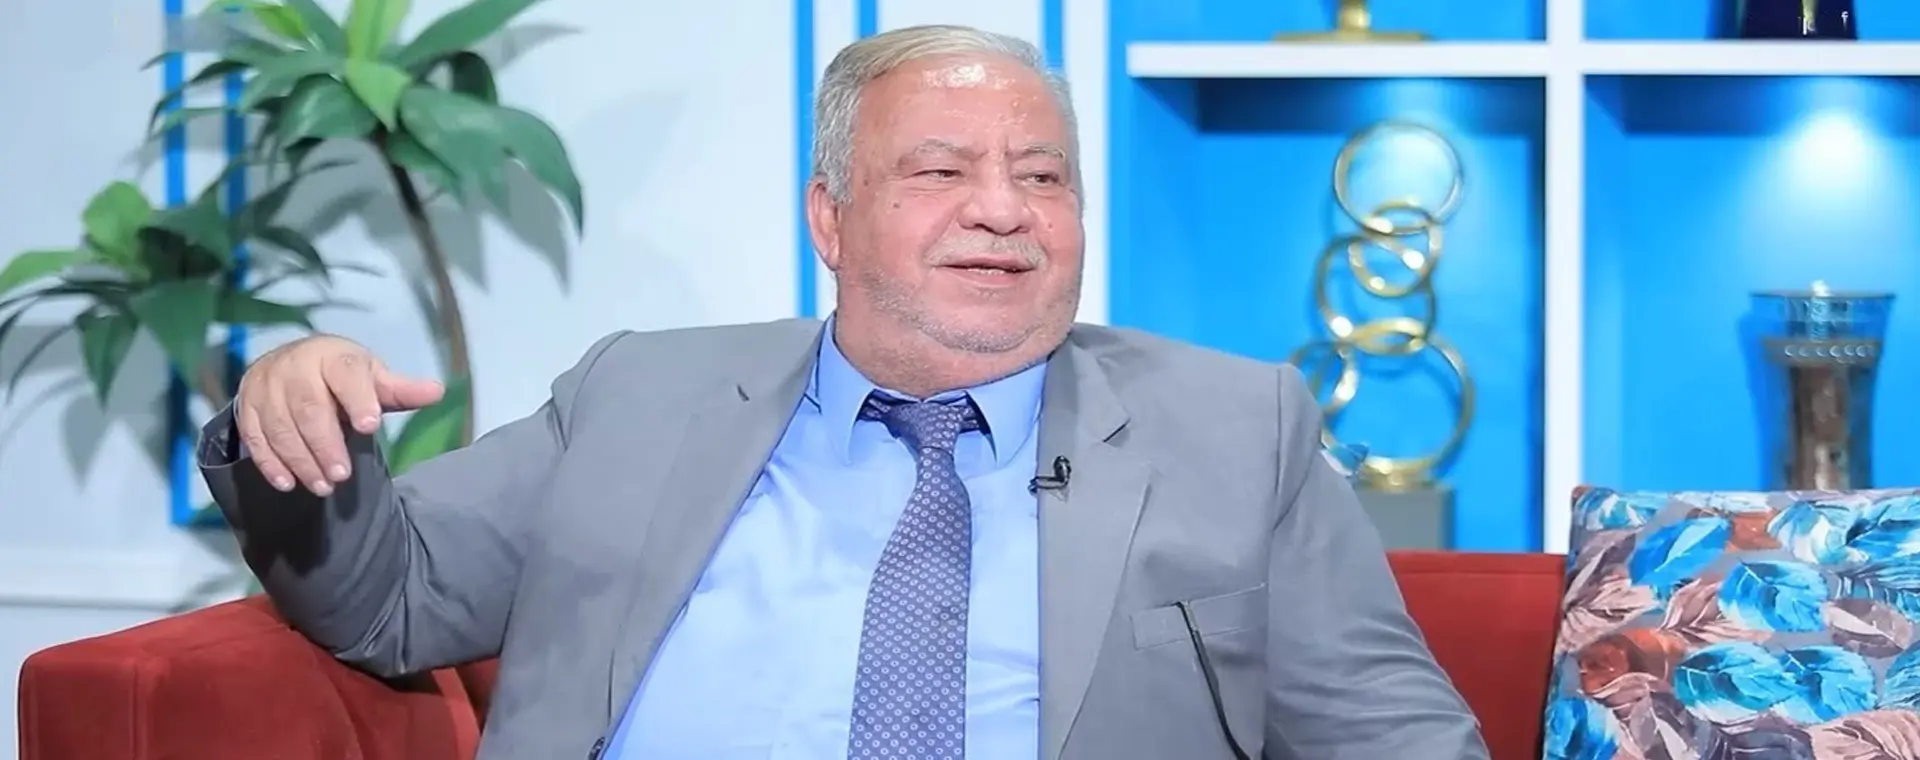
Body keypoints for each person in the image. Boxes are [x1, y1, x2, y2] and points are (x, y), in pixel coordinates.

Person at [198, 24, 1489, 760]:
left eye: (1043, 177)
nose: (1003, 210)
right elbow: (390, 601)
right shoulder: (639, 391)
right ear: (831, 216)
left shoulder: (1236, 427)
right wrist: (296, 424)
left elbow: (1394, 739)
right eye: (941, 171)